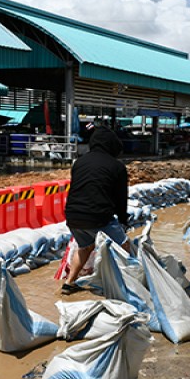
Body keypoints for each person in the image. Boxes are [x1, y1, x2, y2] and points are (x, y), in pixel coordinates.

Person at [62, 125, 131, 295]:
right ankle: (129, 282)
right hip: (98, 217)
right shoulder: (116, 166)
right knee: (124, 245)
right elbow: (121, 198)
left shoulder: (79, 162)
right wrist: (123, 220)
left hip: (72, 216)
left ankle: (69, 283)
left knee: (84, 248)